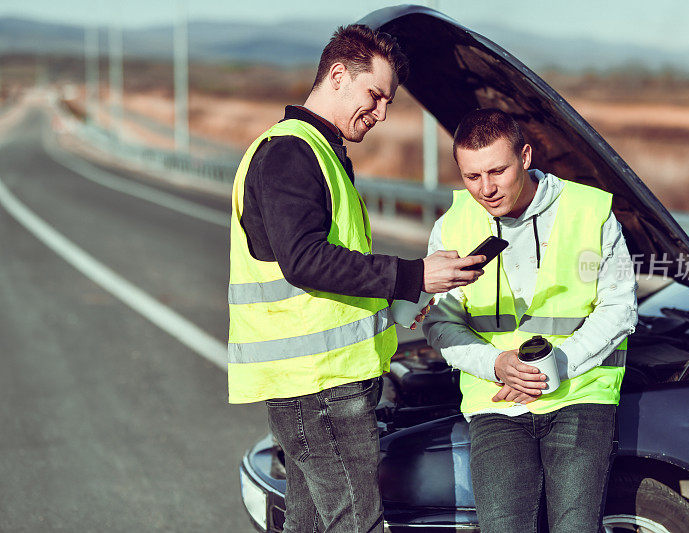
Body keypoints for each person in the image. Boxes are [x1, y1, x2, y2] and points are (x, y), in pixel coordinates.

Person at [227, 25, 484, 533]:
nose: (382, 113)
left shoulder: (321, 154)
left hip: (325, 380)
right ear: (338, 76)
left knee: (313, 525)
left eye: (388, 101)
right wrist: (413, 274)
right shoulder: (291, 154)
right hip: (318, 384)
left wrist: (399, 301)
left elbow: (329, 281)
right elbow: (304, 260)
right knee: (355, 523)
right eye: (375, 95)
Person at [423, 108, 637, 532]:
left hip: (581, 393)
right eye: (471, 176)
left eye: (497, 171)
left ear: (525, 155)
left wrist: (561, 363)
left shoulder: (588, 211)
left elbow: (619, 306)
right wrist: (495, 364)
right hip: (495, 400)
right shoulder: (452, 226)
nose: (486, 188)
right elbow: (439, 322)